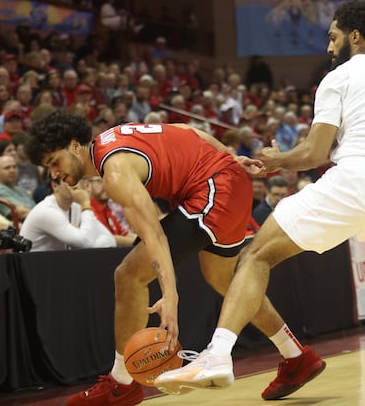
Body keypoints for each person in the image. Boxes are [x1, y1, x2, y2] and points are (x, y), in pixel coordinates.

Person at [154, 0, 365, 400]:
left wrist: (276, 160)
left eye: (333, 37)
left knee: (255, 256)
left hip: (359, 178)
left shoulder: (339, 77)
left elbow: (315, 153)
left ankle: (217, 354)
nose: (329, 47)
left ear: (354, 35)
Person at [26, 112, 324, 405]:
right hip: (228, 185)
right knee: (223, 280)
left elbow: (155, 235)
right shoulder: (113, 137)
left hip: (212, 190)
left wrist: (170, 295)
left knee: (128, 275)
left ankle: (121, 384)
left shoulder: (114, 171)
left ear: (76, 146)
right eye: (47, 167)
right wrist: (231, 158)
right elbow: (188, 130)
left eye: (55, 161)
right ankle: (296, 356)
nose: (54, 173)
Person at [19, 175, 116, 251]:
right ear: (55, 186)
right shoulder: (46, 211)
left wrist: (87, 240)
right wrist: (85, 205)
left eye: (77, 179)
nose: (75, 184)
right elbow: (86, 243)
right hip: (32, 268)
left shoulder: (75, 207)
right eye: (68, 179)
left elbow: (110, 240)